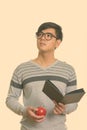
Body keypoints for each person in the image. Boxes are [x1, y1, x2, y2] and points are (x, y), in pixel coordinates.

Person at [6, 22, 78, 130]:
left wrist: (64, 108)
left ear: (57, 43)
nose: (42, 38)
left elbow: (73, 103)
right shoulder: (22, 69)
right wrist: (24, 111)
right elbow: (10, 99)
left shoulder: (68, 70)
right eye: (40, 34)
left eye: (48, 36)